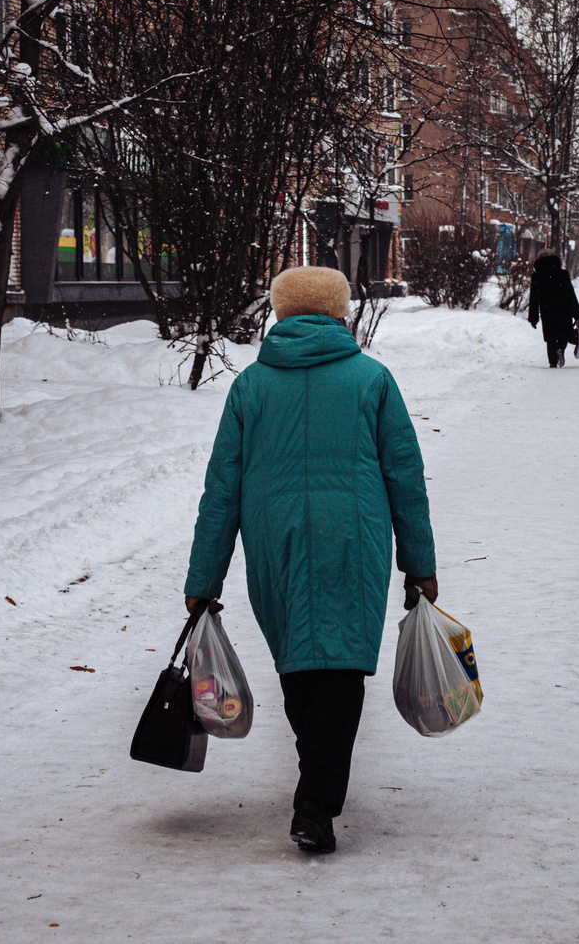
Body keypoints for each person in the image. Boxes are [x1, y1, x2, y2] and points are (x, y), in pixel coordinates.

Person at [183, 266, 437, 854]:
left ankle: (314, 794)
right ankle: (317, 798)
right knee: (342, 665)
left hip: (276, 545)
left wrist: (204, 579)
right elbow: (405, 478)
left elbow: (221, 489)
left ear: (280, 314)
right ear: (340, 312)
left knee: (299, 662)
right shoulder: (372, 380)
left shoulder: (250, 387)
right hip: (356, 540)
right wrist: (418, 566)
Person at [527, 248, 579, 367]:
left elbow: (534, 299)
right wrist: (576, 313)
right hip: (564, 309)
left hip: (547, 310)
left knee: (550, 336)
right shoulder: (563, 274)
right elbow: (570, 294)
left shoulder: (537, 277)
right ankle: (560, 349)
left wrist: (533, 318)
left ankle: (552, 361)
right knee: (563, 333)